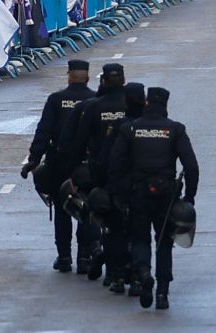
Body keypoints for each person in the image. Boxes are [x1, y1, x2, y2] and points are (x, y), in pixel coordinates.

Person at [108, 85, 198, 310]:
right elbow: (191, 166)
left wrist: (120, 193)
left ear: (147, 103)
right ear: (165, 105)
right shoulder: (175, 130)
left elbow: (115, 164)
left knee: (140, 238)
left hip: (138, 193)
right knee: (164, 242)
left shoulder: (130, 129)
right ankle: (162, 293)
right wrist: (189, 197)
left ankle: (143, 272)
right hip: (167, 194)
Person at [59, 62, 131, 288]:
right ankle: (130, 270)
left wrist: (71, 170)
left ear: (103, 81)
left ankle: (110, 270)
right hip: (130, 174)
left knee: (105, 221)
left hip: (100, 172)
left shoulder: (92, 107)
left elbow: (78, 143)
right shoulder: (131, 105)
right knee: (129, 224)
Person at [21, 59, 93, 273]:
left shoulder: (55, 100)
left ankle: (64, 257)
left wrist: (33, 160)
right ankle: (84, 257)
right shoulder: (94, 99)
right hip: (86, 165)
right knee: (87, 210)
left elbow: (43, 133)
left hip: (58, 164)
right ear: (87, 77)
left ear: (69, 76)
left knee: (62, 211)